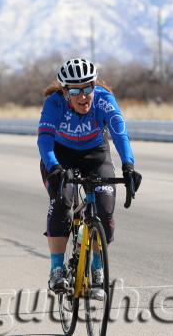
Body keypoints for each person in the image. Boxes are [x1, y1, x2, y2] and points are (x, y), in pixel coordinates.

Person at [37, 58, 142, 296]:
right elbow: (44, 140)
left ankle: (97, 269)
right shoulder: (54, 104)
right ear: (65, 92)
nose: (83, 96)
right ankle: (56, 270)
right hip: (60, 155)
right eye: (75, 90)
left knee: (104, 210)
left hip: (95, 154)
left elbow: (120, 134)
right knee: (63, 202)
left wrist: (128, 165)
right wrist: (53, 168)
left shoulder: (104, 100)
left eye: (88, 88)